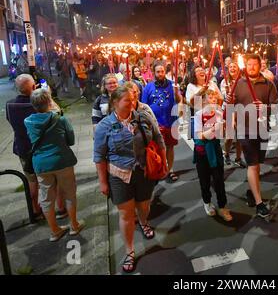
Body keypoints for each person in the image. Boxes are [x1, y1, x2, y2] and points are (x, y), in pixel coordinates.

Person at [94, 86, 165, 273]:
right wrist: (103, 182)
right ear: (115, 103)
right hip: (119, 175)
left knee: (143, 206)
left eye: (133, 99)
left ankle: (144, 222)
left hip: (143, 171)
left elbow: (158, 138)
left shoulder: (143, 117)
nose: (132, 103)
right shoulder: (105, 126)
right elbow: (99, 156)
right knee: (126, 215)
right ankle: (129, 250)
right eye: (127, 100)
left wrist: (163, 163)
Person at [24, 88, 84, 242]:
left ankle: (55, 230)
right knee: (69, 193)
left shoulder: (28, 121)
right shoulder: (60, 119)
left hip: (41, 164)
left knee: (46, 198)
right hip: (62, 161)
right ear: (50, 101)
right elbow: (71, 141)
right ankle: (74, 225)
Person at [228, 54, 278, 218]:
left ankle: (252, 191)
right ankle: (259, 203)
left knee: (258, 164)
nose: (251, 67)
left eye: (254, 64)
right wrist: (228, 101)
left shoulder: (268, 84)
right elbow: (230, 108)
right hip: (245, 129)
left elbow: (275, 107)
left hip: (262, 129)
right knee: (253, 164)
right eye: (248, 64)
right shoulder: (238, 83)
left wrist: (264, 107)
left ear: (260, 66)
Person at [193, 89, 232, 221]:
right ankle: (207, 202)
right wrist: (213, 129)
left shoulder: (219, 112)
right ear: (204, 100)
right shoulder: (198, 115)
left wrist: (226, 126)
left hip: (215, 150)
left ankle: (222, 206)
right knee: (204, 181)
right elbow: (200, 136)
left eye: (215, 97)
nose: (214, 99)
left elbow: (222, 134)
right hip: (202, 152)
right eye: (210, 97)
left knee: (219, 180)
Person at [6, 74, 40, 217]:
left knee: (31, 179)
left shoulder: (9, 105)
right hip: (39, 147)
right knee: (46, 180)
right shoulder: (37, 104)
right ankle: (51, 207)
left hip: (22, 148)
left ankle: (34, 209)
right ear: (33, 87)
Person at [142, 64, 182, 182]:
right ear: (154, 73)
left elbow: (179, 100)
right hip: (155, 123)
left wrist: (176, 92)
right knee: (158, 148)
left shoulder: (172, 84)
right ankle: (159, 168)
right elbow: (144, 106)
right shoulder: (148, 87)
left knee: (170, 147)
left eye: (162, 71)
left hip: (171, 121)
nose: (160, 74)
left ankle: (170, 169)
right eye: (158, 71)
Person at [220, 61, 245, 167]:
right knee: (229, 136)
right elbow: (223, 98)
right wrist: (227, 92)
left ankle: (238, 158)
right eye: (230, 67)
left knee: (240, 136)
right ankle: (226, 154)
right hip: (229, 109)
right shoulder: (224, 82)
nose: (232, 68)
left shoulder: (243, 81)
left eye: (235, 66)